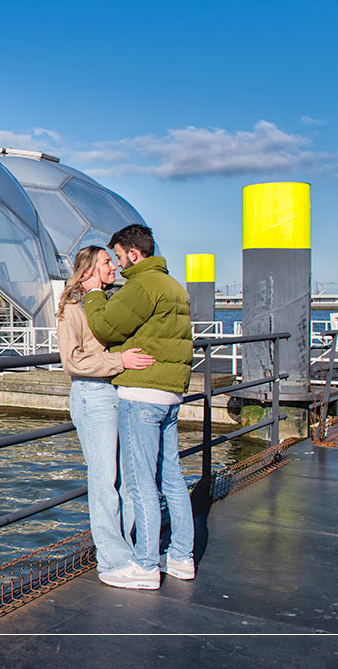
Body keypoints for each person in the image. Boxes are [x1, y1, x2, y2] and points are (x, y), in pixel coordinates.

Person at [82, 223, 195, 590]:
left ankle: (146, 565)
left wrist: (94, 295)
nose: (118, 264)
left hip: (142, 394)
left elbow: (105, 328)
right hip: (171, 394)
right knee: (173, 479)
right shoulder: (174, 285)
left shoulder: (143, 285)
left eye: (118, 256)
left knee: (140, 481)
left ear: (133, 253)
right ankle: (181, 556)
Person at [57, 246, 154, 578]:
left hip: (116, 392)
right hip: (92, 395)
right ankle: (112, 561)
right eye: (106, 263)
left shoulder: (108, 304)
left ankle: (125, 550)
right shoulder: (72, 310)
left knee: (126, 479)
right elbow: (72, 361)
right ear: (87, 272)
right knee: (104, 479)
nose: (113, 266)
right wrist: (120, 361)